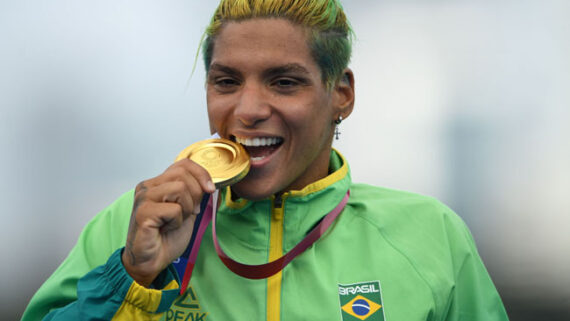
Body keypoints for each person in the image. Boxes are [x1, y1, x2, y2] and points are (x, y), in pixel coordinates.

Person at [22, 0, 509, 320]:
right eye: (227, 82)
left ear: (341, 93)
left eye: (284, 82)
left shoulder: (428, 237)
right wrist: (134, 275)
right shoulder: (132, 229)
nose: (249, 110)